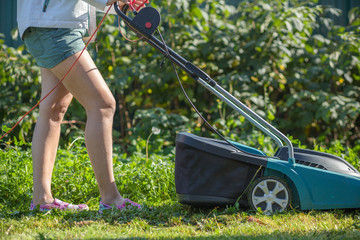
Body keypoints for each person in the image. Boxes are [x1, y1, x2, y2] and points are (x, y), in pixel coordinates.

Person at [17, 0, 140, 212]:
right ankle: (110, 199)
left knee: (54, 110)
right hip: (53, 28)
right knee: (102, 104)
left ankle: (42, 199)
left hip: (48, 25)